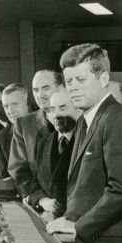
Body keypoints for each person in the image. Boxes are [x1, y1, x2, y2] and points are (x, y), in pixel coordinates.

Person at [47, 43, 122, 243]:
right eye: (68, 81)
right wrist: (66, 218)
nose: (73, 87)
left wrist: (78, 226)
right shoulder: (85, 120)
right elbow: (85, 186)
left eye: (80, 79)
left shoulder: (117, 118)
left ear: (103, 78)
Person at [10, 70, 59, 202]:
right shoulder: (24, 125)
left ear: (60, 87)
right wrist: (41, 200)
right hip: (40, 203)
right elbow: (19, 171)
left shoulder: (77, 119)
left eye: (46, 88)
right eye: (36, 90)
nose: (40, 95)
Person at [33, 87, 80, 220]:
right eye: (53, 109)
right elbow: (35, 185)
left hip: (76, 223)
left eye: (63, 108)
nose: (57, 115)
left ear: (78, 109)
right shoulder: (43, 143)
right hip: (48, 220)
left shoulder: (87, 141)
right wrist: (43, 201)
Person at [0, 84, 30, 178]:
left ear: (26, 101)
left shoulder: (46, 125)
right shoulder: (1, 137)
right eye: (6, 106)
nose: (10, 111)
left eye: (14, 104)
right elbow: (5, 177)